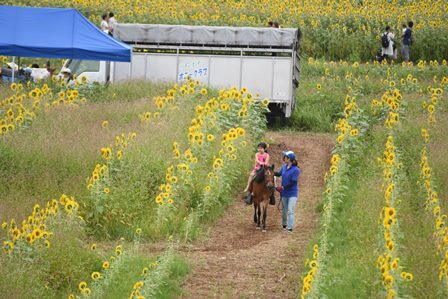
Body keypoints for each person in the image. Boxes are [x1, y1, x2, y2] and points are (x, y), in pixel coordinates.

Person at [275, 151, 300, 233]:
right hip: (284, 193)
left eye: (285, 156)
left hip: (292, 193)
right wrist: (270, 171)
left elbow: (293, 181)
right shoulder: (284, 167)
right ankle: (284, 225)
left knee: (290, 210)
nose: (284, 158)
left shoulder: (296, 170)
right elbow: (278, 174)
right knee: (284, 210)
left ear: (289, 159)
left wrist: (283, 187)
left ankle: (289, 228)